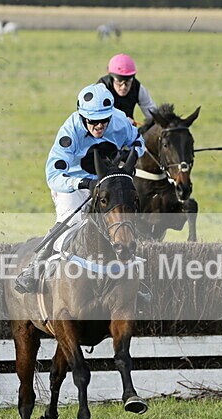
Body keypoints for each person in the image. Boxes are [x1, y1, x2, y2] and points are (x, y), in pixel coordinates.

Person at [14, 83, 146, 294]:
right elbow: (54, 175)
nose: (99, 127)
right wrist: (83, 184)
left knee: (119, 220)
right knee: (73, 220)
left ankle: (130, 280)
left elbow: (139, 141)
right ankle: (35, 267)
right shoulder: (70, 132)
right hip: (72, 184)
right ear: (82, 117)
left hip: (105, 183)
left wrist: (129, 154)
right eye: (93, 122)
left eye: (103, 121)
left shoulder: (119, 120)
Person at [97, 53, 156, 124]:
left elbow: (152, 113)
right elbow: (95, 115)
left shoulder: (138, 88)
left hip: (128, 130)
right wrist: (121, 119)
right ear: (112, 78)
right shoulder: (101, 89)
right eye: (119, 82)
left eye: (128, 81)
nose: (123, 87)